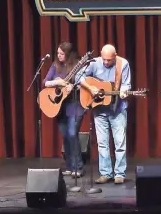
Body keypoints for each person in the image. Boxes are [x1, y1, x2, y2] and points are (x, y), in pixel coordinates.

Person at [76, 44, 131, 185]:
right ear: (101, 55)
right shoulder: (94, 63)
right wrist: (90, 88)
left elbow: (126, 84)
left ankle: (119, 174)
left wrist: (124, 91)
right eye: (104, 59)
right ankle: (106, 173)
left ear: (115, 56)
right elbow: (78, 76)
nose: (106, 62)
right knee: (102, 143)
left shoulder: (123, 64)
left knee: (119, 143)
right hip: (99, 109)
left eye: (110, 60)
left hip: (117, 109)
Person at [43, 42, 86, 178]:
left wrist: (73, 86)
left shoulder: (78, 65)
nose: (59, 56)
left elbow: (84, 84)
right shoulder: (55, 65)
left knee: (73, 134)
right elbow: (46, 82)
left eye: (62, 54)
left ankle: (78, 167)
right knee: (66, 136)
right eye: (58, 53)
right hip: (59, 107)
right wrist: (58, 82)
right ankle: (69, 166)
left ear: (68, 55)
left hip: (75, 105)